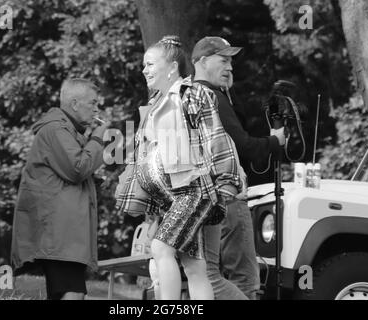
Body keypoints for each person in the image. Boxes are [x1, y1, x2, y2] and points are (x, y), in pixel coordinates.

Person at [116, 35, 242, 300]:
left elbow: (216, 137)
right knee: (194, 265)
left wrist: (227, 178)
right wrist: (145, 200)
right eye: (144, 65)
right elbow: (145, 155)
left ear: (172, 66)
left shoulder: (192, 94)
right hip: (170, 199)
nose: (144, 70)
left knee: (162, 249)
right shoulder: (153, 105)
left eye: (150, 64)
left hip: (192, 191)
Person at [191, 36, 286, 300]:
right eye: (223, 60)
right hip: (229, 198)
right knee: (244, 276)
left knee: (209, 274)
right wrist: (274, 142)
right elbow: (241, 146)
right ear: (201, 61)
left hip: (206, 199)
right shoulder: (213, 98)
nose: (230, 67)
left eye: (231, 62)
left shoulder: (191, 95)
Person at [10, 79, 110, 300]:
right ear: (74, 104)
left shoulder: (68, 131)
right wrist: (97, 139)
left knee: (63, 292)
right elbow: (77, 169)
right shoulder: (56, 129)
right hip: (59, 233)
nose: (96, 109)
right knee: (73, 292)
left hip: (63, 234)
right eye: (92, 103)